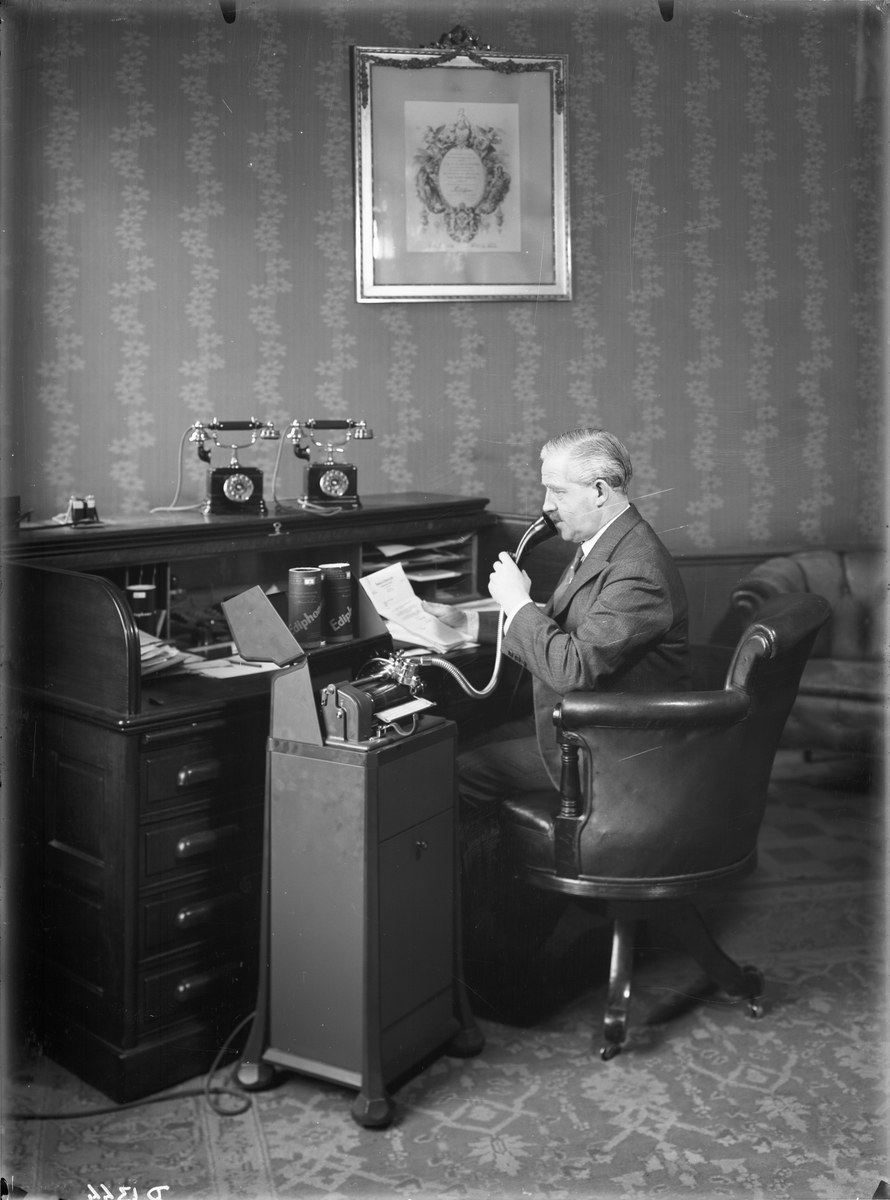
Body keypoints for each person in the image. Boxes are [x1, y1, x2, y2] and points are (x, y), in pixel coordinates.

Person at [435, 428, 690, 1014]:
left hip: (612, 755)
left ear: (599, 490)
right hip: (587, 731)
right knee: (471, 741)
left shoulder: (637, 569)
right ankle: (499, 940)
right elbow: (562, 624)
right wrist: (463, 623)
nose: (545, 505)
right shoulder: (608, 541)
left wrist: (517, 604)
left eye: (557, 491)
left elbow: (572, 666)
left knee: (455, 770)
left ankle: (491, 958)